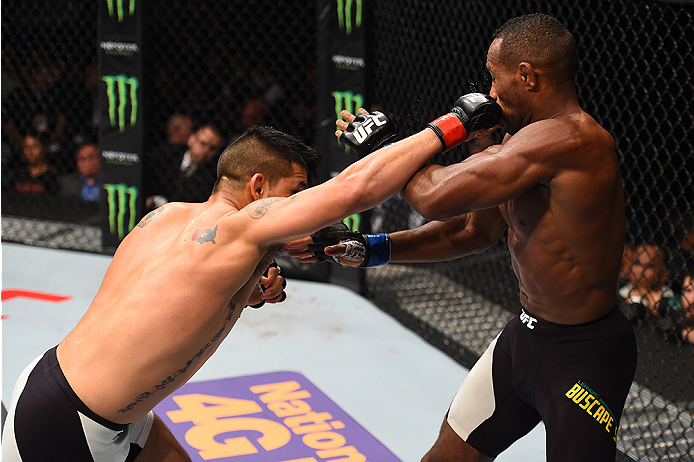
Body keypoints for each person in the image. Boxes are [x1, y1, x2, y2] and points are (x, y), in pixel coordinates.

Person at [1, 109, 497, 460]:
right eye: (296, 193)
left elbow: (159, 302)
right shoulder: (241, 230)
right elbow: (354, 190)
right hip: (67, 427)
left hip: (72, 392)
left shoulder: (170, 215)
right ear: (258, 188)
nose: (302, 205)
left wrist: (243, 292)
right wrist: (451, 125)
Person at [287, 13, 637, 462]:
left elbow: (434, 198)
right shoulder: (520, 144)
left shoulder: (570, 140)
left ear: (527, 75)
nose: (490, 92)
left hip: (585, 357)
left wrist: (386, 146)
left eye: (495, 77)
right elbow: (472, 231)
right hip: (524, 339)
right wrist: (374, 248)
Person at [145, 124, 224, 210]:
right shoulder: (165, 156)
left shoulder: (210, 178)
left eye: (212, 148)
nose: (205, 150)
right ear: (191, 139)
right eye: (202, 143)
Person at [618, 242, 674, 318]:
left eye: (650, 266)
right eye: (637, 263)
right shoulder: (616, 293)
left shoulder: (673, 302)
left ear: (664, 274)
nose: (640, 271)